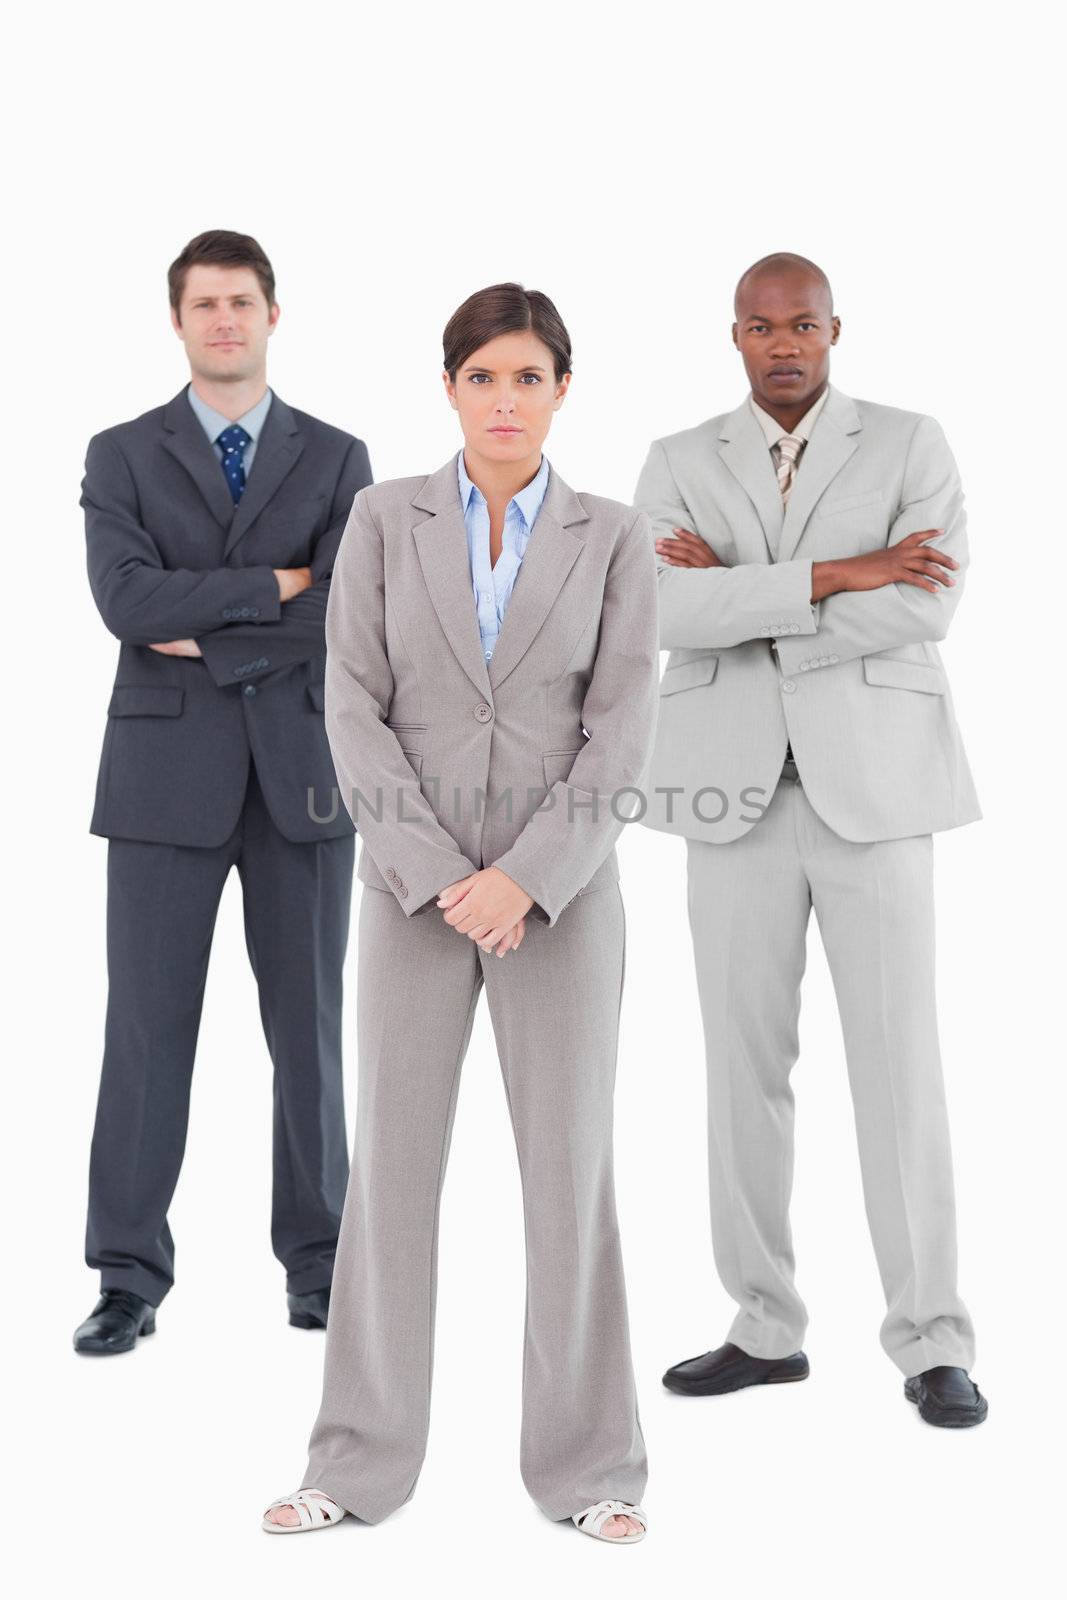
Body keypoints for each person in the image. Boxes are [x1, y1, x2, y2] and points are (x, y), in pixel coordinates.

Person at [262, 283, 658, 1541]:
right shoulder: (384, 519)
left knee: (569, 1176)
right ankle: (356, 1464)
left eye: (526, 377)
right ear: (448, 387)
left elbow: (623, 725)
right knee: (388, 1174)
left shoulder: (612, 533)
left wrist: (527, 876)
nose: (503, 399)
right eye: (481, 376)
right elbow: (350, 703)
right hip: (408, 894)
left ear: (560, 391)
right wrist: (440, 870)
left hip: (562, 900)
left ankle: (591, 1472)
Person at [634, 252, 988, 1428]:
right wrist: (836, 574)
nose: (782, 344)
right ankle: (763, 1325)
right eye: (759, 327)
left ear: (835, 329)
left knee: (898, 1070)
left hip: (876, 793)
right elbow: (659, 610)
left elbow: (926, 600)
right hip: (726, 795)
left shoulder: (908, 442)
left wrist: (749, 596)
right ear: (731, 336)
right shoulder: (678, 460)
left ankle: (929, 1338)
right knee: (740, 1073)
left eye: (802, 325)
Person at [74, 230, 372, 1354]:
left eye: (241, 302)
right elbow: (128, 603)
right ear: (178, 320)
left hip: (302, 777)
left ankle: (322, 1262)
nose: (224, 321)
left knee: (310, 1029)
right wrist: (272, 586)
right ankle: (127, 1275)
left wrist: (216, 625)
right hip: (161, 783)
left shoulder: (338, 456)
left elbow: (344, 612)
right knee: (146, 1031)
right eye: (203, 304)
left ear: (272, 314)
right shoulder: (121, 454)